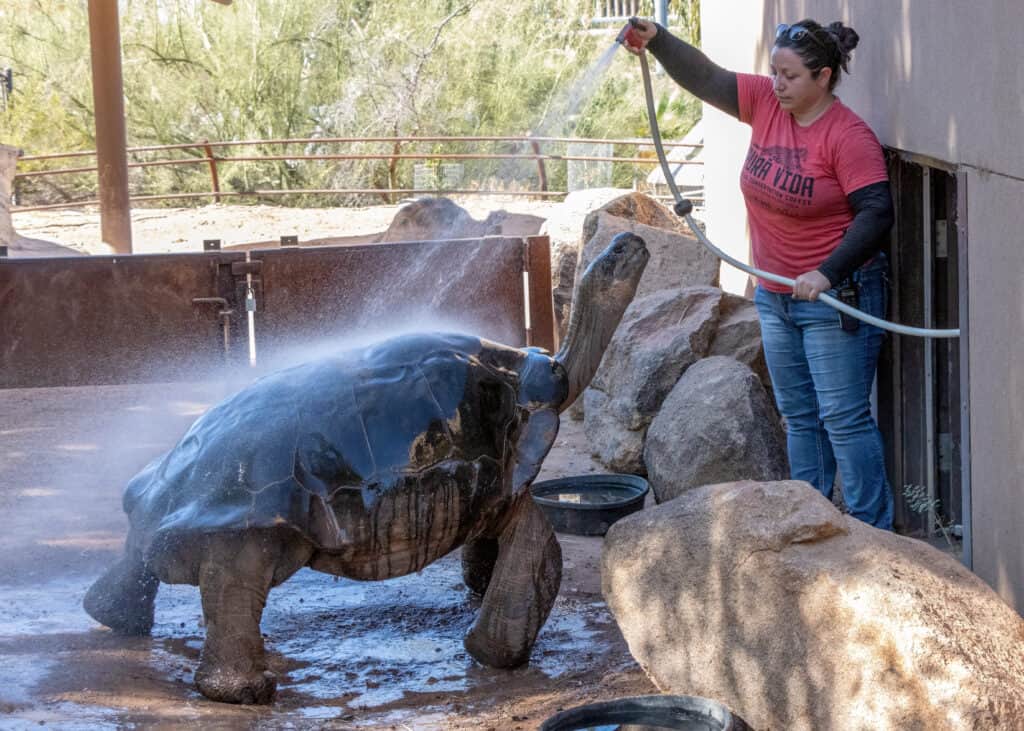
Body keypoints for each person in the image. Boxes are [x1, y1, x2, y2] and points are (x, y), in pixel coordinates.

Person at [626, 18, 895, 529]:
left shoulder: (848, 135)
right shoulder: (767, 103)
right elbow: (707, 78)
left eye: (790, 76)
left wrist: (827, 271)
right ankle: (809, 521)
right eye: (773, 73)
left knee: (842, 418)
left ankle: (871, 533)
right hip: (776, 295)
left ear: (824, 76)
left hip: (837, 299)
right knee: (799, 416)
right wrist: (657, 40)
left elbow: (877, 213)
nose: (777, 84)